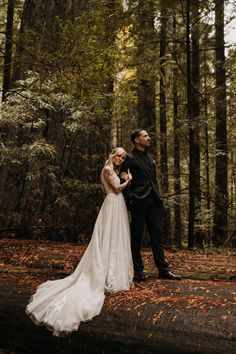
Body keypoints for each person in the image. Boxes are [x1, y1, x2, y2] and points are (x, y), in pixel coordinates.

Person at [26, 147, 133, 336]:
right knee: (107, 238)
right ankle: (103, 273)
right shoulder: (107, 170)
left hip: (118, 206)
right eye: (119, 155)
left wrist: (124, 179)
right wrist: (128, 181)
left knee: (116, 238)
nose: (121, 159)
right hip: (112, 203)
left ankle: (113, 271)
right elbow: (116, 190)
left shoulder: (114, 171)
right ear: (112, 155)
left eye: (123, 157)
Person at [120, 129, 181, 282]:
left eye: (148, 135)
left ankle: (163, 270)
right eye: (145, 136)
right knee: (137, 236)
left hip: (154, 201)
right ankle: (138, 271)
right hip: (138, 201)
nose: (148, 138)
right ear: (136, 140)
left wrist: (159, 196)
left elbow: (153, 179)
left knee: (157, 235)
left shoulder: (151, 157)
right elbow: (122, 179)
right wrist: (130, 199)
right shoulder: (129, 157)